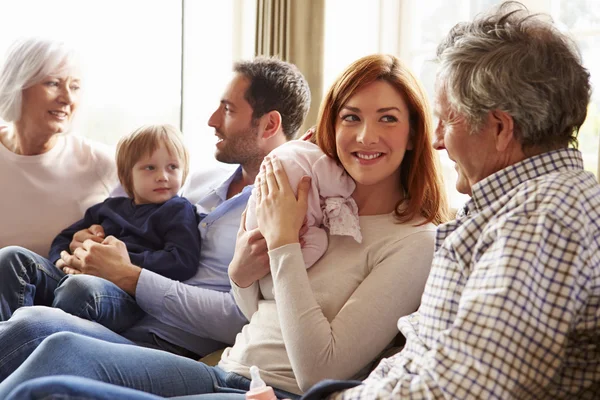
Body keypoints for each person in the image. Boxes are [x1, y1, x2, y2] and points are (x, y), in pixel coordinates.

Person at [0, 53, 449, 399]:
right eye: (351, 117)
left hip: (273, 391)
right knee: (52, 344)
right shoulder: (317, 200)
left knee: (49, 387)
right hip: (228, 369)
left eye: (387, 118)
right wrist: (241, 272)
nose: (365, 136)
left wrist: (284, 245)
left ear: (414, 134)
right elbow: (258, 315)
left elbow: (320, 371)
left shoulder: (414, 241)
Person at [301, 2, 600, 399]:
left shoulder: (542, 214)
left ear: (499, 128)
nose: (437, 140)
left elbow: (468, 388)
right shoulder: (523, 206)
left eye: (446, 120)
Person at [0, 57, 311, 378]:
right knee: (12, 260)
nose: (212, 120)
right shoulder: (195, 178)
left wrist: (129, 275)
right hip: (113, 303)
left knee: (36, 326)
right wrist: (83, 241)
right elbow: (116, 208)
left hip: (156, 340)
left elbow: (240, 315)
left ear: (270, 125)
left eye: (228, 110)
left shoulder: (282, 208)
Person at [19, 123, 200, 334]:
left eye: (172, 167)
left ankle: (36, 344)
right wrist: (60, 261)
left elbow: (183, 260)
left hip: (122, 297)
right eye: (150, 168)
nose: (163, 176)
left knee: (78, 288)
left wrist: (119, 261)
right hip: (74, 275)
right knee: (13, 258)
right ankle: (10, 338)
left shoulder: (178, 210)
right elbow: (64, 237)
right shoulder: (109, 207)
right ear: (127, 175)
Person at [0, 37, 117, 257]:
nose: (67, 98)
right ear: (17, 86)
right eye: (53, 83)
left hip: (66, 286)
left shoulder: (101, 163)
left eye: (75, 87)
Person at [244, 139, 361, 273]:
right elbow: (341, 188)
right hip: (292, 228)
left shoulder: (286, 148)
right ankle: (284, 274)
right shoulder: (322, 160)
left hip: (254, 220)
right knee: (319, 241)